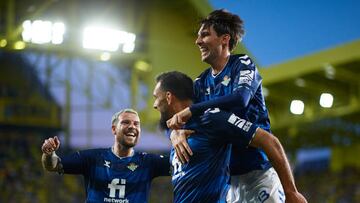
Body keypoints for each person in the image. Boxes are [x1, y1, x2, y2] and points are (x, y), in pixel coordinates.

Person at [166, 10, 307, 203]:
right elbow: (191, 126)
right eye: (198, 36)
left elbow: (241, 98)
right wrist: (176, 133)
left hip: (260, 174)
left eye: (205, 34)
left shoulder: (242, 64)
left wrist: (291, 192)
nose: (198, 41)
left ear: (225, 39)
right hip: (228, 183)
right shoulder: (201, 82)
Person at [153, 71, 303, 203]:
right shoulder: (178, 133)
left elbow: (268, 140)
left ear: (168, 97)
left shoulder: (212, 119)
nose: (154, 104)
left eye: (156, 97)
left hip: (256, 182)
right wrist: (173, 133)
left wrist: (291, 192)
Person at [41, 108, 170, 203]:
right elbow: (53, 165)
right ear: (114, 129)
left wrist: (177, 134)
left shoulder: (148, 162)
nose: (132, 126)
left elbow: (185, 162)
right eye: (126, 122)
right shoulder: (92, 158)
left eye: (136, 124)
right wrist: (49, 153)